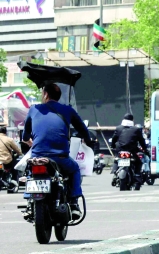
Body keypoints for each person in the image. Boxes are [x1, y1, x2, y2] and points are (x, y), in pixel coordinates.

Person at [22, 83, 96, 219]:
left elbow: (25, 136)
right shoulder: (67, 110)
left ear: (45, 94)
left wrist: (30, 142)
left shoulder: (34, 109)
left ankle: (28, 200)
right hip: (60, 158)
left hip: (38, 157)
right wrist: (87, 140)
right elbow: (83, 130)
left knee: (30, 170)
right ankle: (74, 203)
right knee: (74, 170)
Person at [110, 113, 147, 177]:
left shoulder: (118, 128)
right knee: (138, 162)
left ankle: (114, 171)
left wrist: (112, 146)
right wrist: (145, 148)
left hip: (120, 149)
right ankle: (137, 174)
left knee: (116, 159)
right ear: (132, 120)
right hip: (131, 150)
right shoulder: (136, 129)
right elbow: (141, 140)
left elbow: (114, 138)